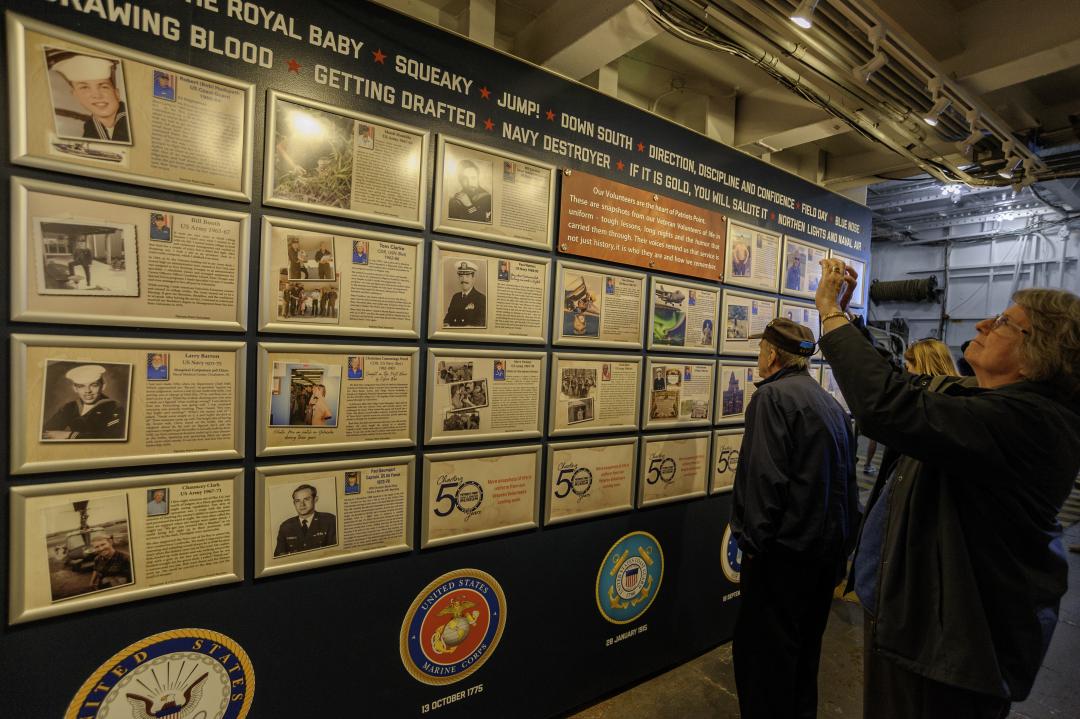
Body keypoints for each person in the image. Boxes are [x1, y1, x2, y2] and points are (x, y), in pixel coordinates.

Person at [815, 258, 1080, 719]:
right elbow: (903, 385)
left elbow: (885, 405)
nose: (981, 324)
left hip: (949, 648)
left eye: (1002, 322)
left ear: (1037, 353)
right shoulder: (986, 401)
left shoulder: (1029, 422)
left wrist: (830, 314)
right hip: (916, 624)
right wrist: (851, 320)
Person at [729, 317, 859, 719]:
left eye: (760, 349)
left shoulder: (771, 399)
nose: (758, 355)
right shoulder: (829, 402)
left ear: (771, 355)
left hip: (781, 559)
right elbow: (847, 483)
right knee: (803, 658)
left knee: (764, 664)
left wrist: (753, 544)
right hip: (822, 557)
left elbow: (765, 479)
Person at [51, 53, 131, 143]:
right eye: (84, 88)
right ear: (76, 95)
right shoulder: (90, 128)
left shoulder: (132, 120)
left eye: (104, 87)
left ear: (117, 93)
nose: (97, 95)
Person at [42, 364, 126, 440]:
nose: (87, 391)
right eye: (81, 386)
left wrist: (69, 435)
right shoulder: (70, 407)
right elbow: (46, 431)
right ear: (75, 388)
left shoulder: (114, 408)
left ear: (103, 386)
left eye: (94, 385)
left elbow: (112, 437)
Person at [274, 484, 336, 556]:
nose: (302, 504)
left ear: (315, 499)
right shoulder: (286, 526)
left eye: (306, 499)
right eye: (297, 501)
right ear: (294, 503)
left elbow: (335, 552)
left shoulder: (329, 521)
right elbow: (278, 556)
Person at [443, 260, 486, 327]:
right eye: (461, 276)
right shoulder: (455, 297)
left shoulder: (481, 298)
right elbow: (447, 318)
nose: (464, 280)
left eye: (467, 276)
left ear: (473, 278)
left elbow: (480, 324)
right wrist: (446, 324)